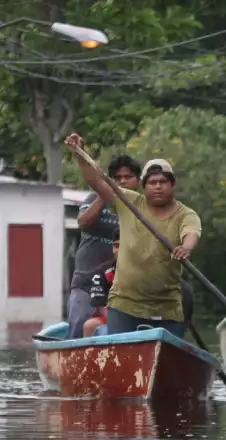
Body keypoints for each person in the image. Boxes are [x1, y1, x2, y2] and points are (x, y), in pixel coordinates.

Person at [65, 133, 201, 339]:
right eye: (152, 182)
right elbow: (95, 181)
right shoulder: (128, 201)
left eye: (163, 181)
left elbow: (191, 233)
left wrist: (186, 247)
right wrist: (80, 154)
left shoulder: (186, 214)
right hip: (125, 302)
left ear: (172, 185)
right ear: (144, 186)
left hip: (166, 304)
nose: (157, 186)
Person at [68, 155, 140, 339]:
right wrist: (104, 194)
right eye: (117, 178)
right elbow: (83, 223)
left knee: (126, 332)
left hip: (125, 286)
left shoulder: (141, 208)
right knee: (79, 324)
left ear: (138, 181)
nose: (122, 181)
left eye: (128, 177)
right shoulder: (94, 198)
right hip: (87, 281)